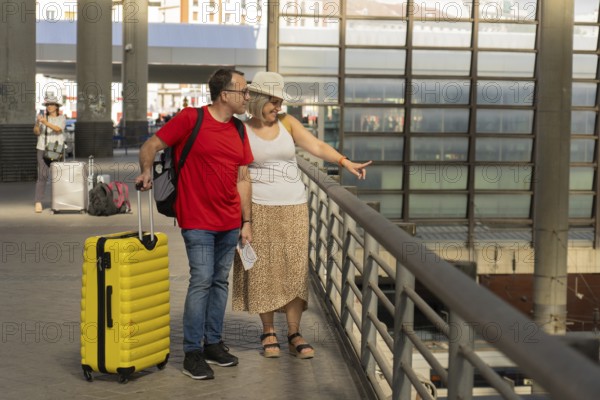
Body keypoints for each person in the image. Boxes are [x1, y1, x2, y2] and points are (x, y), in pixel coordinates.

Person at [232, 71, 372, 359]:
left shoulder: (288, 123)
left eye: (280, 103)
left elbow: (317, 146)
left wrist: (345, 162)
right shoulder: (242, 130)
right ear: (260, 101)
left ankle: (294, 332)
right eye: (274, 103)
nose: (278, 108)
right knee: (262, 271)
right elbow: (239, 174)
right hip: (258, 208)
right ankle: (268, 331)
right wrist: (242, 217)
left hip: (294, 206)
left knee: (295, 270)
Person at [135, 69, 254, 380]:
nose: (248, 97)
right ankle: (192, 352)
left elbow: (243, 179)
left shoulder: (240, 131)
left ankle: (213, 344)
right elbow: (149, 146)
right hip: (197, 219)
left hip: (229, 222)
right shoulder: (191, 119)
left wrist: (247, 220)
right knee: (201, 280)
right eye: (243, 91)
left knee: (219, 282)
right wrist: (146, 172)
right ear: (225, 94)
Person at [33, 94, 66, 213]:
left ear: (57, 106)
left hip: (57, 149)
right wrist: (38, 123)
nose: (49, 106)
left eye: (51, 104)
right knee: (42, 176)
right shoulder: (42, 117)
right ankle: (38, 202)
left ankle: (58, 202)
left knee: (57, 177)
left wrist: (45, 122)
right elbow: (36, 132)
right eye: (47, 104)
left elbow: (58, 129)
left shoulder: (62, 118)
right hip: (43, 148)